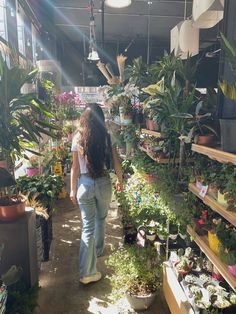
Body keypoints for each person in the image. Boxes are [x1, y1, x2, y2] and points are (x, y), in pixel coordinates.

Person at [70, 103, 123, 285]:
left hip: (84, 185)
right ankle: (98, 250)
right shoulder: (108, 136)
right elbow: (116, 162)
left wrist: (72, 189)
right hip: (103, 183)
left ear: (84, 118)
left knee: (87, 227)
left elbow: (75, 167)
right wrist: (120, 181)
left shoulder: (77, 137)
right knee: (101, 219)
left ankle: (87, 272)